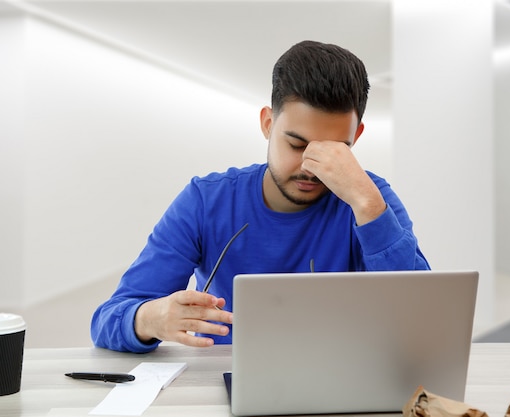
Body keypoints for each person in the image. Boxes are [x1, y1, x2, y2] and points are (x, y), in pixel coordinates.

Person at [91, 40, 430, 353]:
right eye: (296, 145)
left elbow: (421, 321)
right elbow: (108, 319)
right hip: (226, 373)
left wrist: (367, 205)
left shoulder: (370, 198)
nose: (311, 168)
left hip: (340, 369)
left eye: (334, 151)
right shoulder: (206, 201)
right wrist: (151, 318)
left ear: (356, 136)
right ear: (268, 123)